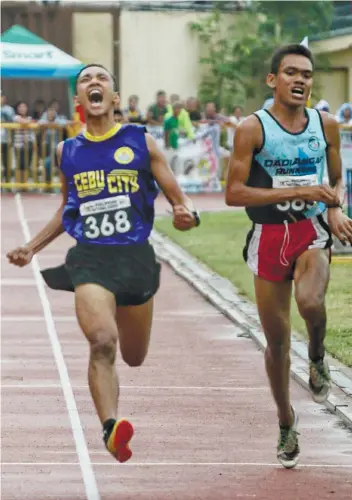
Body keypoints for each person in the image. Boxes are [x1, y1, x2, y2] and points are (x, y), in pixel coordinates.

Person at [7, 64, 200, 463]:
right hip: (90, 258)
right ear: (79, 101)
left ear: (114, 98)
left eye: (102, 79)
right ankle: (111, 429)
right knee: (102, 342)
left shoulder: (141, 142)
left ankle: (113, 416)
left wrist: (185, 214)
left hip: (135, 258)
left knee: (133, 356)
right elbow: (68, 208)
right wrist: (32, 247)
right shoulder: (68, 151)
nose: (94, 83)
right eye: (86, 81)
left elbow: (180, 202)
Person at [225, 44, 352, 469]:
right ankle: (286, 421)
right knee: (277, 343)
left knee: (311, 302)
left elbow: (335, 179)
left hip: (310, 232)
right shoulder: (252, 128)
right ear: (272, 80)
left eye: (308, 75)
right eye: (292, 73)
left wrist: (333, 207)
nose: (301, 81)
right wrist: (298, 190)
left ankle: (317, 357)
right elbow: (233, 193)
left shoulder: (326, 124)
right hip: (268, 236)